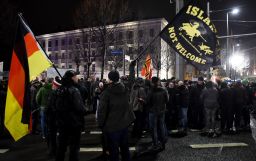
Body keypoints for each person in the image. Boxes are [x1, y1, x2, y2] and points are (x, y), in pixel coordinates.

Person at [97, 70, 135, 161]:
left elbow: (102, 111)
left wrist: (101, 124)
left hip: (112, 126)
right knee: (125, 148)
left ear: (109, 79)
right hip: (124, 124)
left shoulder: (106, 93)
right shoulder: (125, 89)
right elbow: (131, 80)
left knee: (113, 151)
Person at [55, 70, 86, 161]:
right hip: (74, 123)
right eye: (75, 76)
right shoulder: (74, 90)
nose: (77, 78)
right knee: (74, 148)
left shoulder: (58, 90)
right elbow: (79, 107)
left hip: (62, 123)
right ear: (72, 78)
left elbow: (54, 106)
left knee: (61, 147)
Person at [148, 77, 169, 150]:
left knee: (153, 128)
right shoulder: (163, 90)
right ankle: (162, 142)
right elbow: (167, 100)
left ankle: (155, 143)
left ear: (153, 82)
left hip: (153, 112)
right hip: (162, 111)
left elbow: (148, 101)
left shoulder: (151, 91)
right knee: (161, 126)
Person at [46, 78, 62, 157]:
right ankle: (58, 150)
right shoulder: (62, 94)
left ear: (55, 86)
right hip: (59, 118)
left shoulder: (52, 94)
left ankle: (52, 151)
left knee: (51, 135)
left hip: (52, 118)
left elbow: (48, 106)